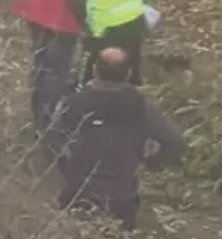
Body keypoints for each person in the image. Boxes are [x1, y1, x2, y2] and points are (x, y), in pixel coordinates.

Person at [55, 47, 185, 231]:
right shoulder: (141, 106)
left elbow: (53, 139)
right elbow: (174, 143)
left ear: (94, 70)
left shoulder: (73, 103)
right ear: (128, 73)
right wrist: (150, 162)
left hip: (79, 192)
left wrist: (68, 166)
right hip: (121, 196)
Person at [10, 0, 86, 159]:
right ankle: (47, 129)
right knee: (55, 73)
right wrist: (87, 23)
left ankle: (37, 113)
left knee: (41, 62)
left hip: (32, 13)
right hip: (58, 20)